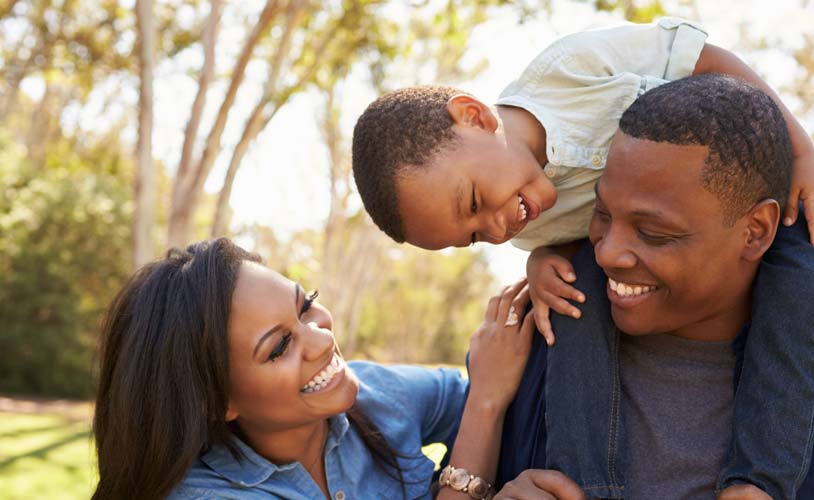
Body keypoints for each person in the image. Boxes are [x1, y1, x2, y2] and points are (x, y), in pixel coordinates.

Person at [351, 18, 814, 498]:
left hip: (778, 191)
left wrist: (801, 149)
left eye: (473, 203)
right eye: (471, 236)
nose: (494, 230)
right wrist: (539, 261)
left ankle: (761, 482)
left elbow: (704, 57)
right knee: (575, 297)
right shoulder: (530, 359)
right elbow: (568, 248)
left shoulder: (570, 70)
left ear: (475, 116)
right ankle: (587, 484)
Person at [495, 74, 814, 499]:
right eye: (603, 213)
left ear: (755, 231)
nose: (607, 254)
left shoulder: (794, 387)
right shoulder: (524, 352)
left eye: (654, 233)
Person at [91, 237, 535, 500]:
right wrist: (485, 407)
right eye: (280, 345)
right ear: (217, 400)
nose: (322, 339)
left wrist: (551, 262)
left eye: (306, 306)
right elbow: (486, 396)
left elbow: (512, 398)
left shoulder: (376, 394)